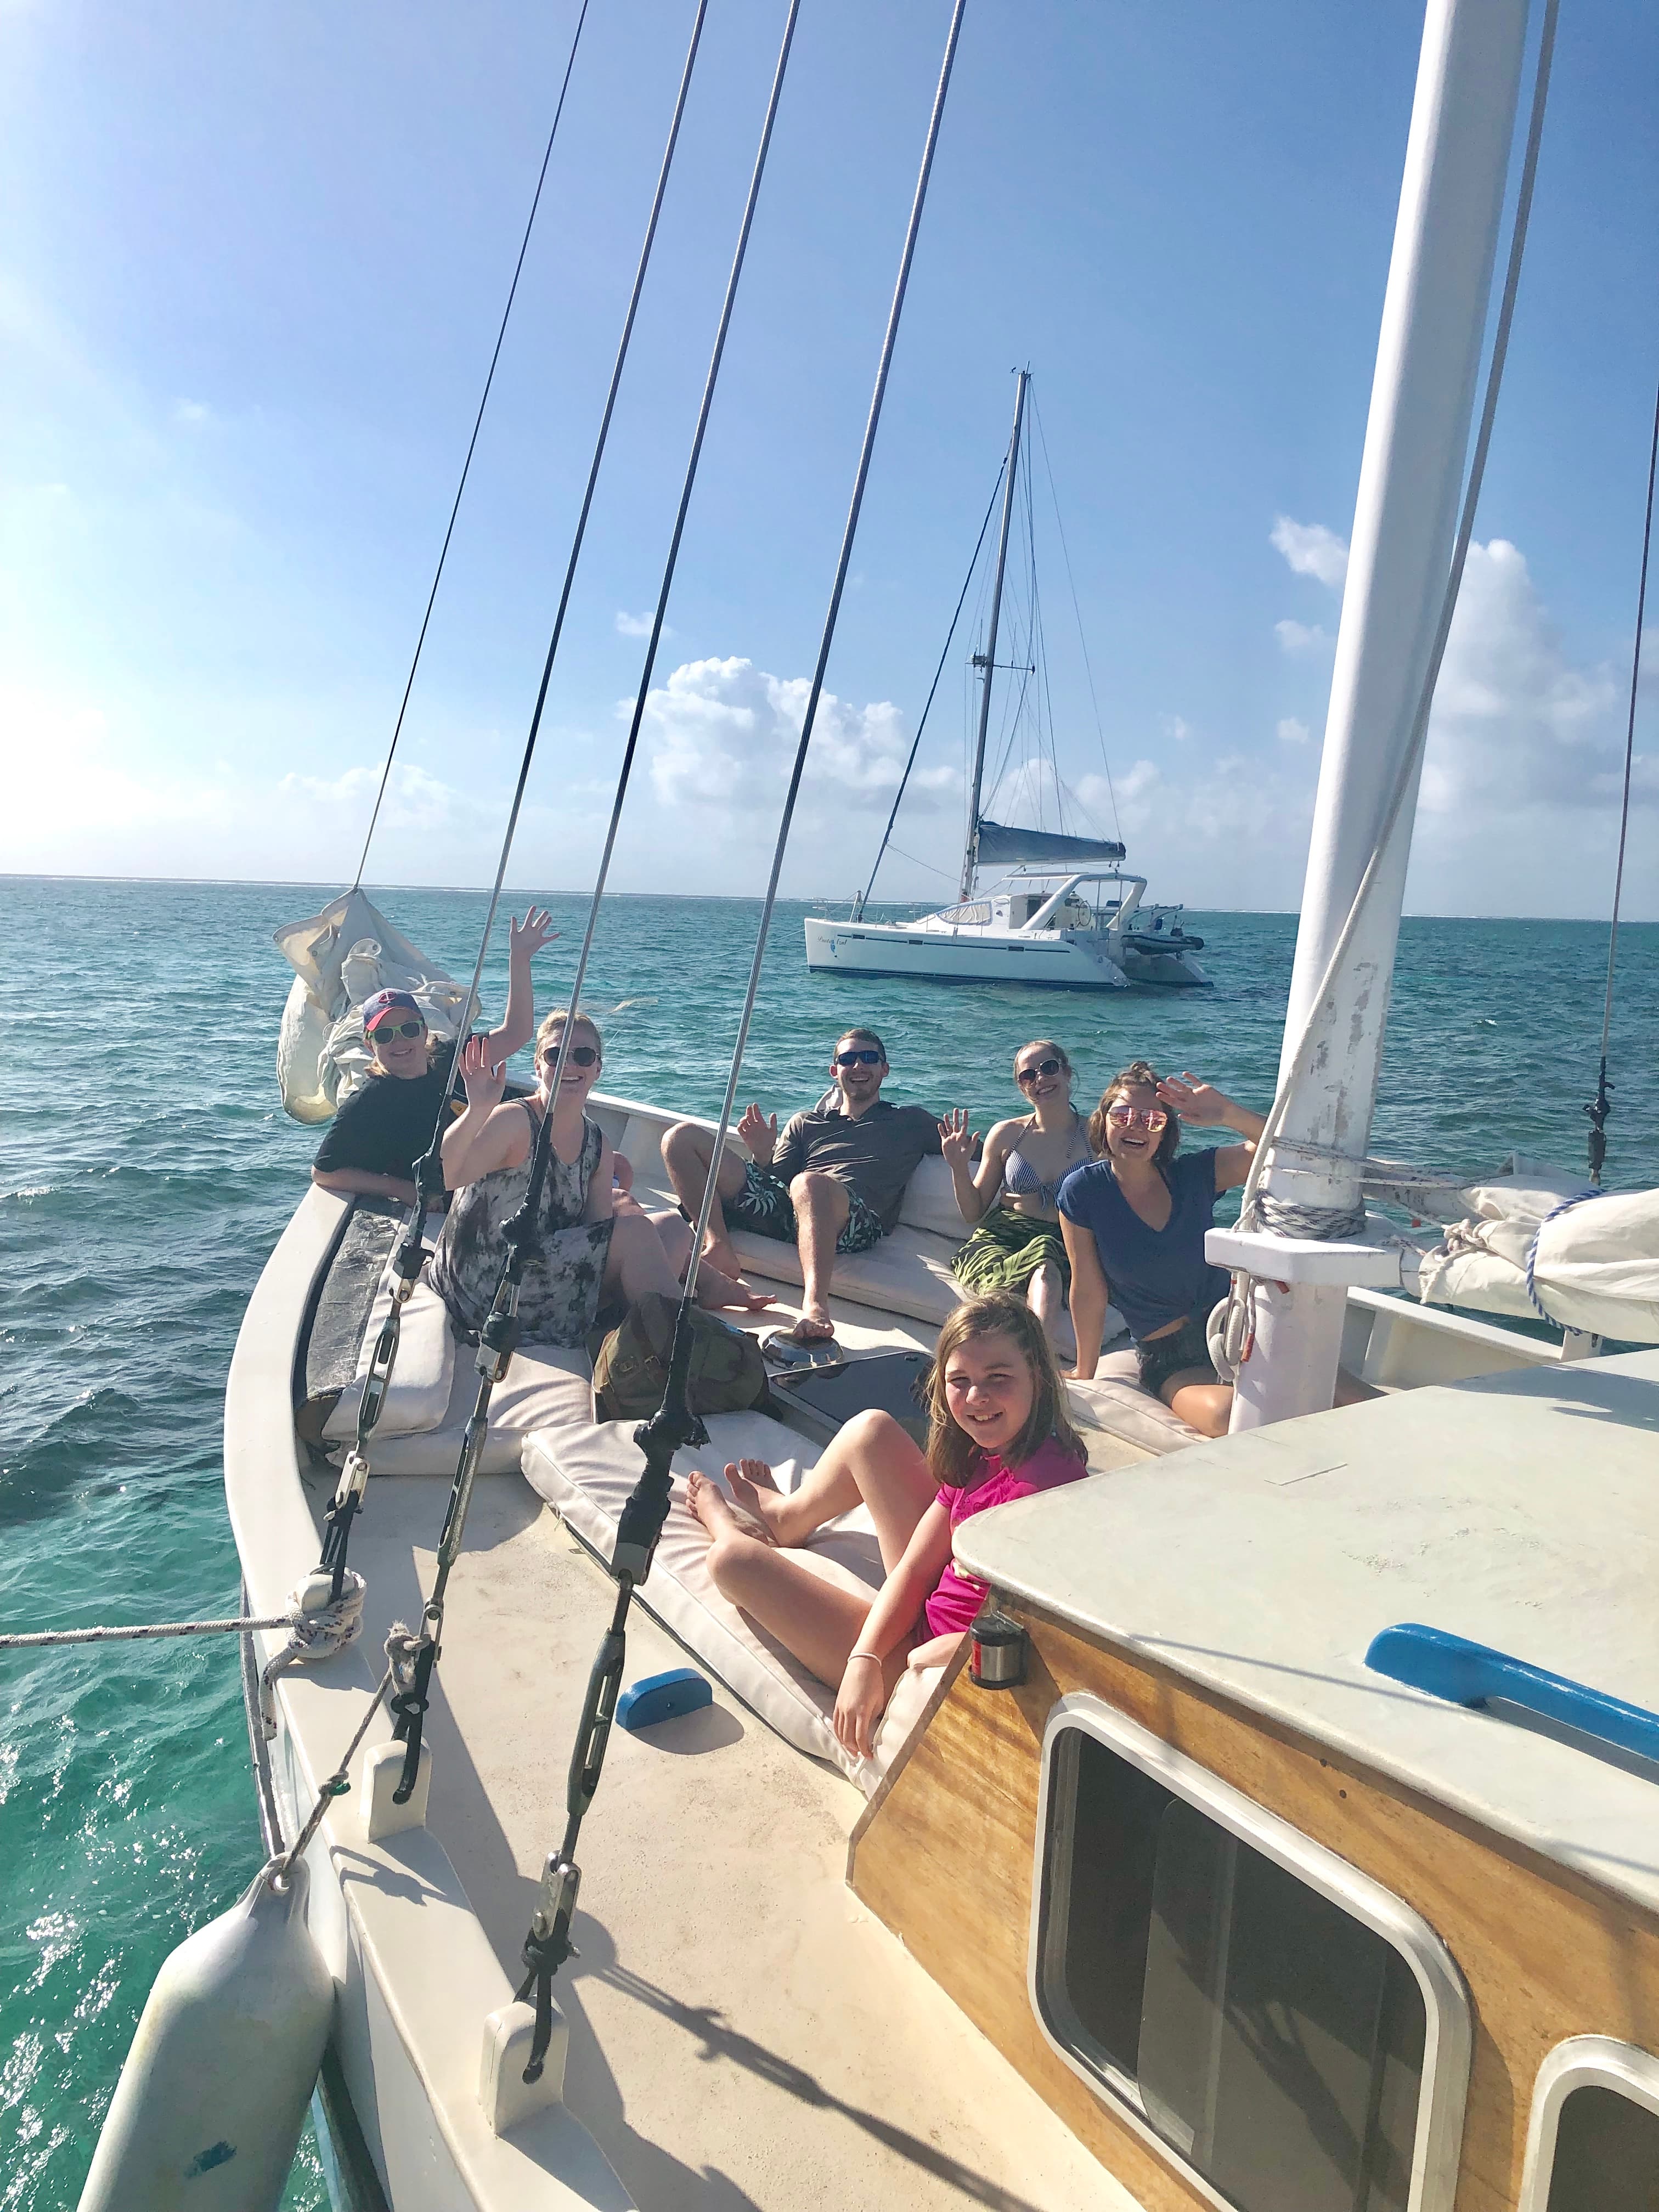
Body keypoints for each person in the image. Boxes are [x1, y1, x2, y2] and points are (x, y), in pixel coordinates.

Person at [685, 1295, 1088, 1758]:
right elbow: (916, 1570)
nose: (977, 1397)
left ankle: (727, 1525)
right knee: (871, 1431)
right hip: (935, 1598)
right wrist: (864, 1656)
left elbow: (1044, 1631)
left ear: (1037, 1375)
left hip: (929, 1652)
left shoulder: (1051, 1492)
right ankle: (785, 1519)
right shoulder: (983, 1453)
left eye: (998, 1378)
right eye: (960, 1381)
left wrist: (917, 1658)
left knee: (733, 1561)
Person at [1057, 1060, 1374, 1437]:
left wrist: (1227, 1113)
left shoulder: (1193, 1176)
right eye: (1123, 1114)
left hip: (1239, 1330)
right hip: (1171, 1359)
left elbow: (1287, 1151)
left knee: (1360, 1399)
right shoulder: (1083, 1192)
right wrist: (1085, 1370)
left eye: (1151, 1120)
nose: (1135, 1126)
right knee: (1230, 1417)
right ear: (1103, 1119)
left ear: (1165, 1133)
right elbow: (1088, 1288)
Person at [430, 1008, 768, 1348]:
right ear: (538, 1066)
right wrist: (477, 1111)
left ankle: (664, 1316)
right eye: (555, 1054)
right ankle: (686, 1346)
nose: (569, 1065)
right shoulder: (515, 1122)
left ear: (597, 1069)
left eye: (583, 1055)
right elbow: (443, 1176)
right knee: (637, 1233)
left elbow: (596, 1234)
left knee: (672, 1229)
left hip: (541, 1270)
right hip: (489, 1286)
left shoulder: (596, 1143)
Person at [661, 1028, 947, 1345]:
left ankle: (814, 1306)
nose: (858, 1066)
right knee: (681, 1137)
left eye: (869, 1058)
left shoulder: (911, 1121)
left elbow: (984, 1152)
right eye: (848, 1059)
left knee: (811, 1183)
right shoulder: (806, 1123)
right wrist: (762, 1154)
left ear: (885, 1069)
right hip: (795, 1208)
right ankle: (719, 1246)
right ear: (834, 1071)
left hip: (855, 1220)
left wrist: (971, 1158)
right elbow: (775, 1184)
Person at [310, 906, 556, 1207]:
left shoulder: (451, 1058)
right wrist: (402, 1190)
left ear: (425, 1032)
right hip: (461, 1202)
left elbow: (516, 1033)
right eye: (385, 1035)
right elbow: (325, 1172)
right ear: (370, 1044)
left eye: (408, 1029)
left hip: (501, 1172)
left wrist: (519, 960)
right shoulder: (369, 1101)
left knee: (616, 1167)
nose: (399, 1041)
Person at [942, 1039, 1092, 1352]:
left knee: (1046, 1254)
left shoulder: (1096, 1136)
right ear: (1022, 1087)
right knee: (999, 1296)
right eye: (1028, 1076)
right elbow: (973, 1212)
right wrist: (958, 1166)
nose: (1040, 1080)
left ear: (1066, 1072)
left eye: (1048, 1068)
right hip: (1000, 1235)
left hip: (1063, 1239)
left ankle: (1038, 1354)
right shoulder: (1007, 1134)